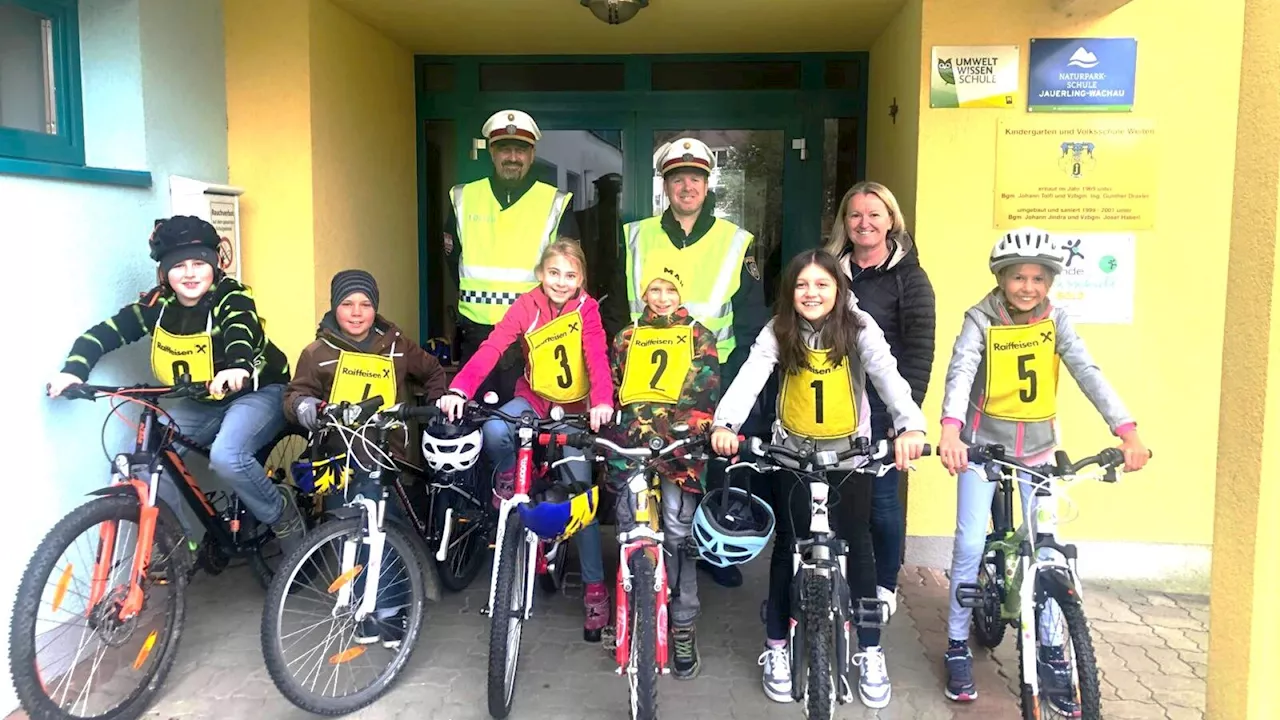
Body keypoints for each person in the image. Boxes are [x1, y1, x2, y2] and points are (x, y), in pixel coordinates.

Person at [937, 228, 1150, 712]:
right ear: (1001, 278)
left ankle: (1054, 650)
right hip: (980, 447)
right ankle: (955, 643)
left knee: (1046, 548)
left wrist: (1127, 430)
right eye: (1018, 277)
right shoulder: (980, 319)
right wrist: (950, 431)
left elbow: (1087, 372)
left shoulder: (1058, 322)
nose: (1027, 287)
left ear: (1050, 281)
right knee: (971, 542)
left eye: (1037, 278)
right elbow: (961, 370)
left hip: (1038, 451)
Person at [710, 249, 928, 709]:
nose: (811, 293)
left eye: (822, 284)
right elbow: (752, 374)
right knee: (787, 547)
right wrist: (726, 423)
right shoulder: (778, 329)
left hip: (851, 453)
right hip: (792, 452)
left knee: (859, 544)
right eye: (802, 285)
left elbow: (887, 374)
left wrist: (911, 425)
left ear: (838, 289)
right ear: (791, 291)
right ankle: (775, 648)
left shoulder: (859, 326)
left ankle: (869, 649)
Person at [46, 216, 302, 553]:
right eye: (179, 266)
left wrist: (238, 365)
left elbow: (241, 328)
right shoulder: (158, 306)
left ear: (215, 264)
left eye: (199, 263)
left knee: (227, 456)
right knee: (148, 460)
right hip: (203, 398)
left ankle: (282, 514)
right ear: (164, 272)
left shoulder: (230, 296)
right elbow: (106, 332)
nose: (191, 273)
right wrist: (74, 370)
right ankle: (180, 544)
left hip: (257, 390)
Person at [437, 240, 614, 642]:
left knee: (579, 496)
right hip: (533, 400)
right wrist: (460, 389)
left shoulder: (587, 310)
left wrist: (602, 402)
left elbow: (596, 358)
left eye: (571, 275)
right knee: (496, 430)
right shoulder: (526, 305)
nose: (561, 282)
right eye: (554, 273)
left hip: (574, 410)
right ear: (540, 274)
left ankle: (594, 589)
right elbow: (492, 347)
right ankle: (510, 481)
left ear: (581, 279)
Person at [618, 136, 769, 588]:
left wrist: (742, 386)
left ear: (708, 186)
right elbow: (619, 307)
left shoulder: (736, 241)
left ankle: (712, 555)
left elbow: (751, 318)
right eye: (678, 178)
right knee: (647, 459)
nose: (687, 187)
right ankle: (650, 556)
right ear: (665, 185)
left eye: (696, 179)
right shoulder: (637, 235)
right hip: (645, 376)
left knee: (714, 463)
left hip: (711, 376)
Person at [283, 269, 448, 648]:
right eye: (347, 304)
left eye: (366, 305)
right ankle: (363, 602)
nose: (356, 313)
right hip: (339, 455)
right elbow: (295, 395)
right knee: (350, 531)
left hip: (387, 450)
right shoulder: (316, 353)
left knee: (386, 528)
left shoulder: (398, 345)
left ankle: (389, 610)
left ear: (376, 308)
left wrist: (440, 401)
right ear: (334, 307)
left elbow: (433, 371)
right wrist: (305, 405)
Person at [606, 249, 719, 679]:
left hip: (678, 447)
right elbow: (614, 389)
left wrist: (675, 432)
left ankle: (683, 621)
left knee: (677, 529)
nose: (662, 296)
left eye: (670, 288)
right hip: (633, 444)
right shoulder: (626, 337)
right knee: (629, 527)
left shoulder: (699, 335)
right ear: (643, 292)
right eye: (654, 288)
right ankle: (631, 612)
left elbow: (703, 391)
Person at [824, 181, 936, 616]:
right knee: (837, 499)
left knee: (883, 504)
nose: (864, 223)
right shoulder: (831, 270)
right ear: (845, 223)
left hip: (885, 407)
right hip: (835, 404)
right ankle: (843, 578)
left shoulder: (909, 277)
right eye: (855, 215)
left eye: (874, 214)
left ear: (891, 220)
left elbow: (920, 348)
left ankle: (885, 587)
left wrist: (904, 417)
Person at [444, 109, 580, 403]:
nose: (513, 157)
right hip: (477, 337)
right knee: (475, 422)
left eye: (521, 150)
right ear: (492, 152)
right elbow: (452, 261)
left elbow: (569, 272)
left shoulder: (554, 202)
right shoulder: (463, 197)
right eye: (505, 148)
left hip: (535, 338)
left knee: (531, 430)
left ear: (532, 155)